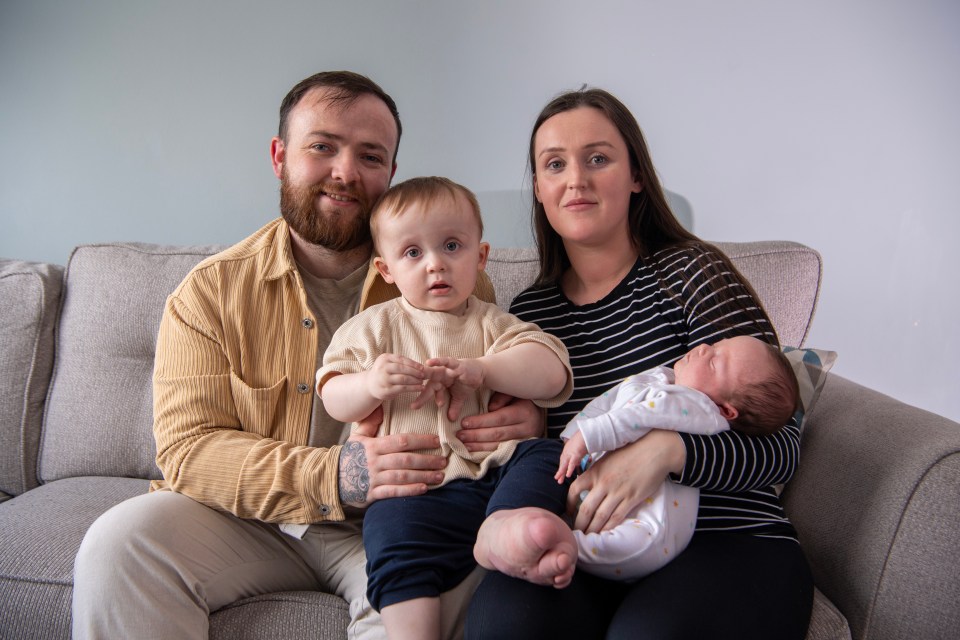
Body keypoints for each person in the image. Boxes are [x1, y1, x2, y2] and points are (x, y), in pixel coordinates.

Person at [70, 71, 544, 640]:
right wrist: (337, 475)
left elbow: (502, 378)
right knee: (121, 543)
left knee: (447, 599)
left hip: (406, 517)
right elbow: (188, 450)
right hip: (252, 521)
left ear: (390, 173)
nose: (346, 172)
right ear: (280, 156)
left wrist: (523, 419)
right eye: (322, 147)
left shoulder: (449, 280)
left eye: (370, 155)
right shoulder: (208, 294)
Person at [466, 87, 814, 639]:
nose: (575, 179)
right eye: (554, 164)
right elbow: (537, 458)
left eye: (597, 158)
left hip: (725, 539)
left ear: (635, 177)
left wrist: (667, 450)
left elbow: (783, 445)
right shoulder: (527, 315)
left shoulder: (692, 273)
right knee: (502, 626)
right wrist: (527, 429)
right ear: (539, 188)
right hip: (587, 547)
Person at [318, 176, 576, 640]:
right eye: (413, 253)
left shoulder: (491, 323)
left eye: (452, 245)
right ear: (386, 269)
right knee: (390, 535)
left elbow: (552, 371)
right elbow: (333, 395)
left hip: (495, 480)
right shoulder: (373, 329)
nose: (436, 264)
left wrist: (484, 370)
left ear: (480, 257)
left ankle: (507, 527)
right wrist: (371, 383)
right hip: (416, 490)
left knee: (548, 454)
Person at [556, 335, 800, 581]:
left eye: (715, 362)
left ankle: (565, 543)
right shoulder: (663, 377)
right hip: (597, 492)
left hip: (672, 528)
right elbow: (607, 401)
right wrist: (571, 434)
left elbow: (638, 417)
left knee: (634, 547)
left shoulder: (698, 406)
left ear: (726, 410)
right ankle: (558, 538)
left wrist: (588, 436)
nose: (704, 348)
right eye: (715, 346)